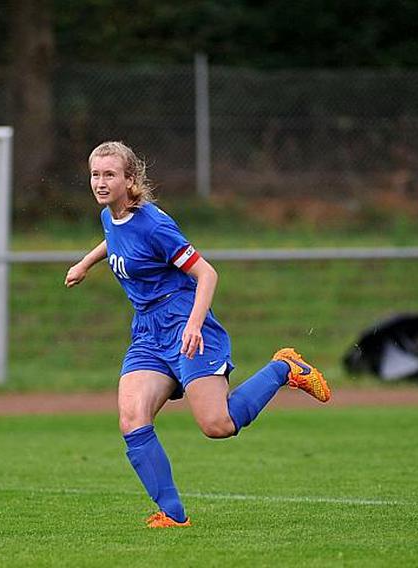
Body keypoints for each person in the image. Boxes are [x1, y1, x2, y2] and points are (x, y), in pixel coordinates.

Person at [64, 141, 331, 528]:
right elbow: (116, 240)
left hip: (187, 326)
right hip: (148, 334)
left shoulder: (155, 223)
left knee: (217, 426)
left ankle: (283, 369)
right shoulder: (111, 216)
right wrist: (86, 262)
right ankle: (173, 514)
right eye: (95, 174)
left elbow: (207, 274)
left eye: (109, 175)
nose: (100, 183)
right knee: (132, 418)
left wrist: (192, 322)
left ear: (129, 179)